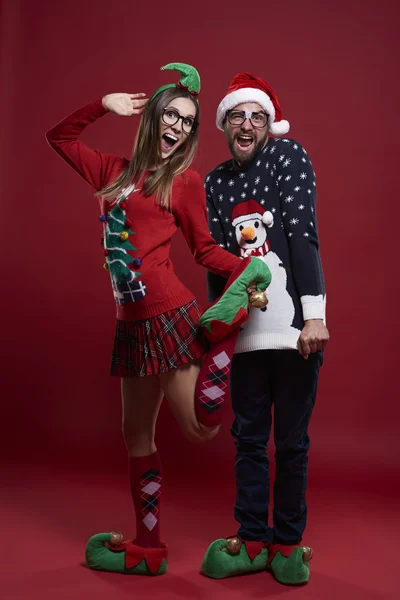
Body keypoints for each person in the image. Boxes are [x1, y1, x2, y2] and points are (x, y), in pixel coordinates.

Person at [45, 63, 268, 577]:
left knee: (200, 429)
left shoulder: (182, 181)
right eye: (171, 114)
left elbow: (205, 248)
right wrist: (104, 103)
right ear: (152, 118)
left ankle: (225, 335)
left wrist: (249, 270)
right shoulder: (112, 173)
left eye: (188, 121)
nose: (178, 126)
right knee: (134, 435)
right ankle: (148, 548)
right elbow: (58, 137)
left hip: (168, 313)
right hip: (130, 323)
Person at [200, 72, 330, 585]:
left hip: (297, 328)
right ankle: (253, 538)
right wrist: (217, 334)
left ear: (270, 122)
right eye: (237, 116)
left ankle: (288, 544)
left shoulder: (288, 156)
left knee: (292, 443)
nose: (247, 124)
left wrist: (314, 315)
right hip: (245, 334)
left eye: (257, 116)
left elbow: (302, 233)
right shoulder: (215, 182)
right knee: (249, 439)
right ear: (225, 125)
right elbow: (215, 261)